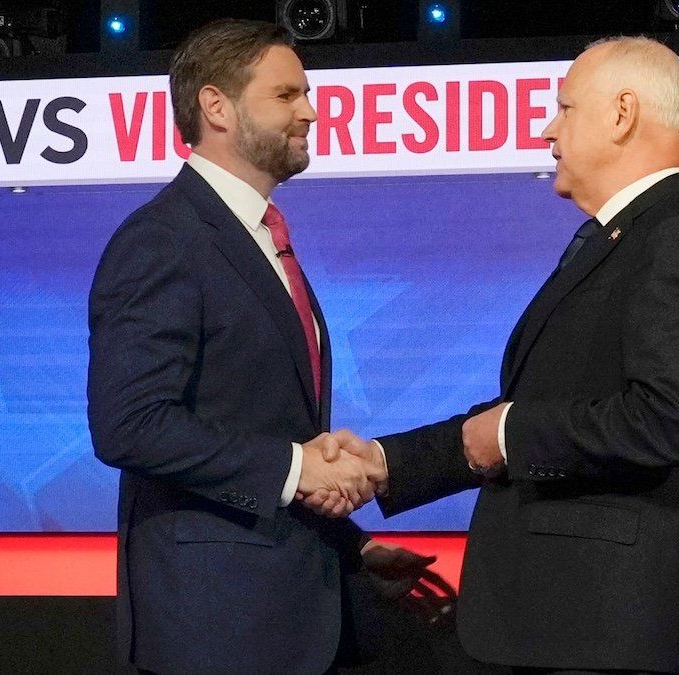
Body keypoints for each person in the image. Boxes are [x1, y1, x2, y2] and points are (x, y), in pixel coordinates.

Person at [309, 36, 679, 674]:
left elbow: (672, 418)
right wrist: (386, 462)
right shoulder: (624, 239)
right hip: (572, 628)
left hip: (608, 632)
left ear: (622, 114)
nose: (548, 129)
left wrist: (512, 433)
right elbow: (535, 408)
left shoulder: (678, 237)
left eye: (565, 108)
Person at [87, 19, 421, 674]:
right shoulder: (163, 241)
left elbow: (258, 426)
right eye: (287, 95)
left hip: (285, 616)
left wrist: (348, 546)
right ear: (216, 105)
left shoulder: (262, 237)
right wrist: (299, 469)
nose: (311, 111)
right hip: (215, 629)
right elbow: (130, 424)